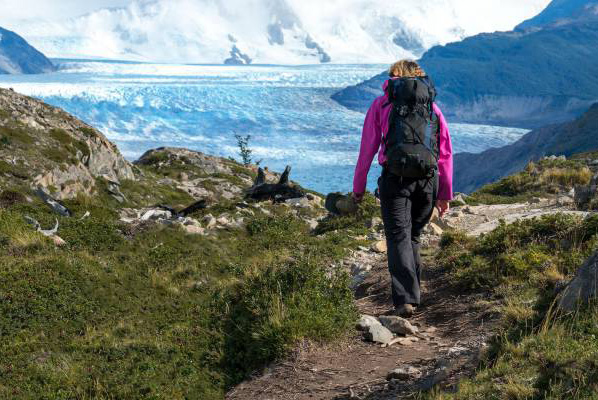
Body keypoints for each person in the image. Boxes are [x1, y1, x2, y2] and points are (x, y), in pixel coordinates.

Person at [352, 60, 453, 317]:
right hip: (427, 182)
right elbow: (445, 154)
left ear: (393, 79)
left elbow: (367, 149)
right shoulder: (433, 108)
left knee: (398, 237)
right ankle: (413, 295)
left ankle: (405, 300)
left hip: (395, 179)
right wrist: (444, 195)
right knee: (413, 237)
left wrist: (359, 187)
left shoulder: (381, 105)